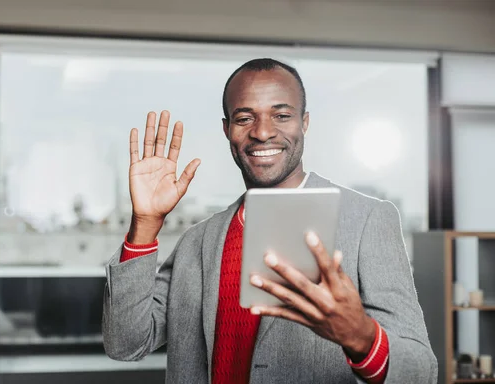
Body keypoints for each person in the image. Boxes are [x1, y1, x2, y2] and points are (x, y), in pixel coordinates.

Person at [102, 58, 437, 384]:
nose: (262, 132)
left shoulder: (368, 221)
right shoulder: (198, 241)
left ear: (304, 122)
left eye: (281, 115)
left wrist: (362, 338)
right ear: (227, 129)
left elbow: (421, 372)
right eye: (245, 118)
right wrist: (145, 223)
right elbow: (126, 344)